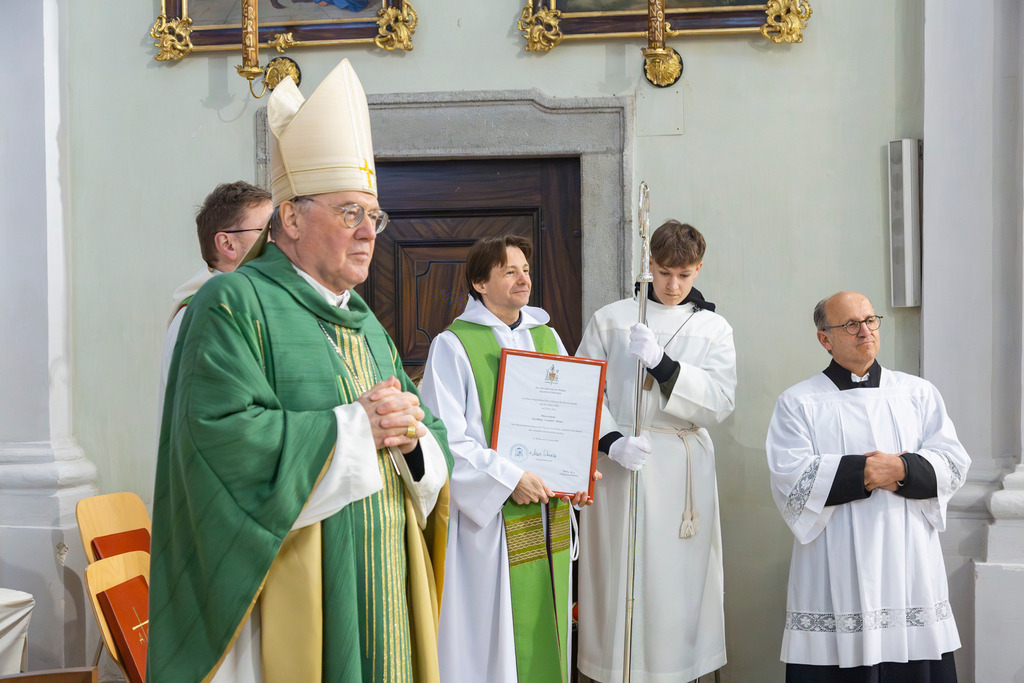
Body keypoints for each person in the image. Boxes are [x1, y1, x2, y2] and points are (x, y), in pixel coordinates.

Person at [148, 59, 452, 683]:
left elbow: (420, 435)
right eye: (348, 214)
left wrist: (414, 438)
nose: (369, 233)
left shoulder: (366, 323)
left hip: (382, 586)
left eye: (375, 216)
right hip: (290, 594)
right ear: (290, 218)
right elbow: (219, 440)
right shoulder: (232, 303)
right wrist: (355, 429)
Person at [766, 291, 970, 682]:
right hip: (834, 565)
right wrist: (866, 472)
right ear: (825, 338)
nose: (865, 331)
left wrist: (903, 468)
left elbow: (953, 462)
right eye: (850, 325)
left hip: (907, 559)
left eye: (870, 320)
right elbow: (790, 478)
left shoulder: (917, 393)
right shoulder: (798, 402)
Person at [419, 234, 593, 682]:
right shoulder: (453, 346)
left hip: (545, 509)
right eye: (509, 271)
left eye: (526, 270)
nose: (523, 279)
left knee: (546, 630)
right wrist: (509, 478)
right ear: (480, 282)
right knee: (490, 644)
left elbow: (570, 412)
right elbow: (445, 439)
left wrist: (577, 473)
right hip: (491, 519)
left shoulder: (546, 336)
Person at [576, 220, 737, 682]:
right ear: (649, 263)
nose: (672, 285)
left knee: (676, 585)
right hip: (623, 463)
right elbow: (587, 391)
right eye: (664, 272)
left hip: (682, 464)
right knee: (619, 572)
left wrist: (664, 366)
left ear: (698, 270)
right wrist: (611, 441)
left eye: (684, 275)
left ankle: (678, 670)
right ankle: (615, 670)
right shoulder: (612, 318)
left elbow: (721, 402)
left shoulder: (713, 328)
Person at [160, 181, 272, 389]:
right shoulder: (205, 316)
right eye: (265, 230)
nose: (278, 240)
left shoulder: (248, 304)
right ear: (227, 245)